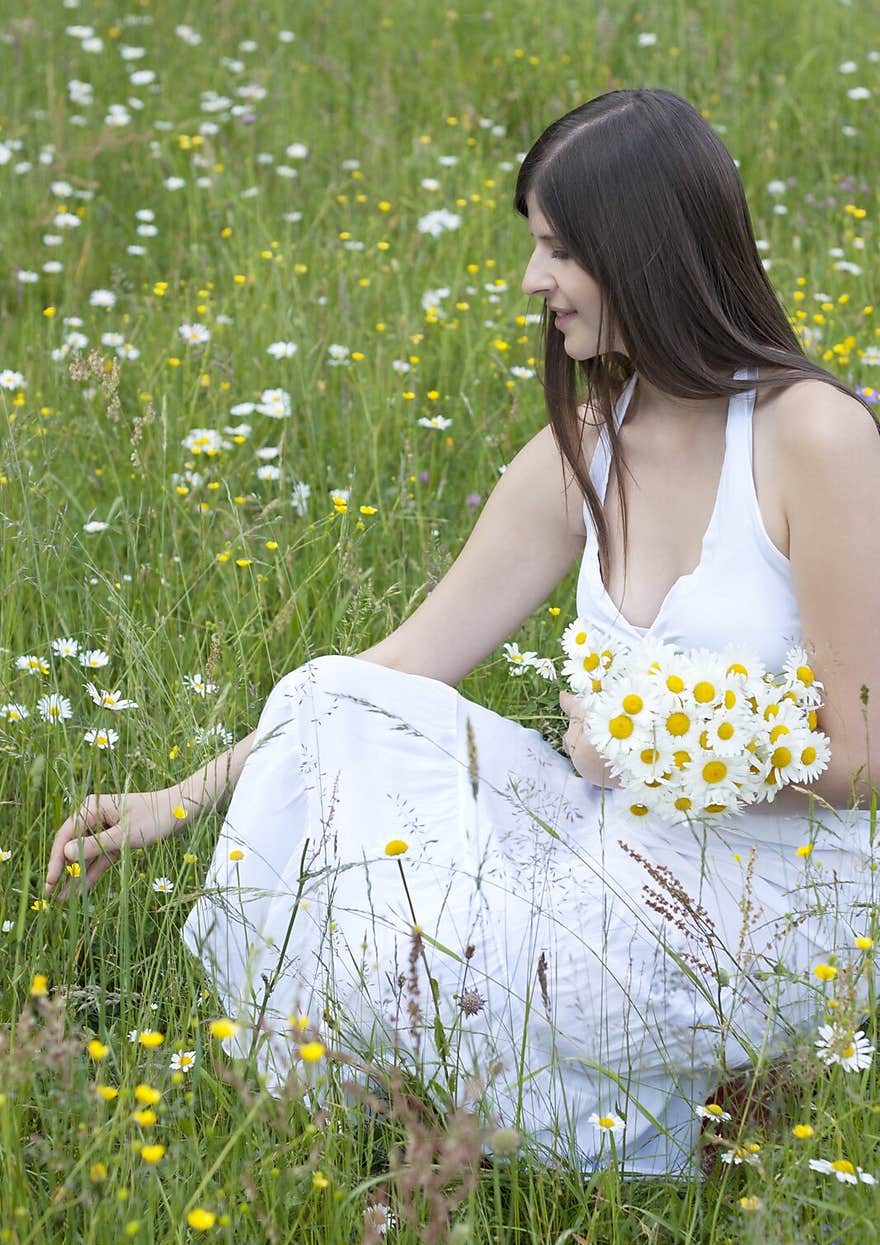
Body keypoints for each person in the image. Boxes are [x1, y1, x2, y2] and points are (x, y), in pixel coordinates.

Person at [44, 89, 880, 1176]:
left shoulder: (812, 434)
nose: (535, 282)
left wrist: (639, 745)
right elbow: (386, 670)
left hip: (778, 901)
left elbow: (860, 756)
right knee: (326, 701)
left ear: (648, 250)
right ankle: (618, 1102)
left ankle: (668, 1103)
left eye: (558, 249)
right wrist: (179, 800)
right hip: (611, 852)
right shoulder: (584, 446)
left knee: (465, 982)